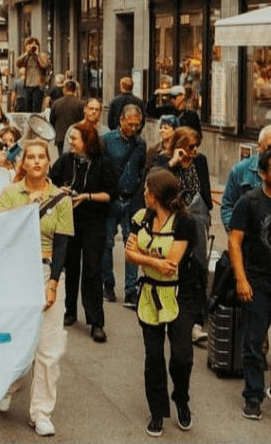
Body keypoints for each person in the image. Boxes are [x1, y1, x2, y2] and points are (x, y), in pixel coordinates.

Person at [0, 139, 74, 437]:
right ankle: (11, 383)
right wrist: (24, 212)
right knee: (16, 339)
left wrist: (53, 283)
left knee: (49, 346)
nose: (37, 162)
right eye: (31, 157)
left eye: (43, 157)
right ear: (23, 163)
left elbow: (63, 243)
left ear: (48, 162)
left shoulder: (61, 198)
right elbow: (1, 235)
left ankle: (41, 411)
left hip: (46, 269)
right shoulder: (10, 194)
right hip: (16, 271)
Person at [125, 168, 196, 437]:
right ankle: (156, 411)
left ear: (157, 195)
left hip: (180, 294)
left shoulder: (184, 223)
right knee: (153, 357)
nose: (143, 193)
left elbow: (171, 265)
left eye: (147, 190)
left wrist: (143, 256)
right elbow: (128, 255)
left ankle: (181, 398)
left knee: (181, 357)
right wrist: (152, 261)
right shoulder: (140, 218)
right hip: (149, 294)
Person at [50, 123, 117, 343]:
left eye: (74, 139)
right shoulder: (66, 161)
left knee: (92, 270)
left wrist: (86, 197)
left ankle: (96, 321)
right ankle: (70, 311)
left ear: (87, 142)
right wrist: (61, 191)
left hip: (94, 222)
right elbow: (51, 182)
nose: (70, 142)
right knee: (70, 267)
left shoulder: (103, 164)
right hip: (69, 221)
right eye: (70, 139)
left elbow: (110, 195)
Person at [151, 127, 213, 342]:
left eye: (196, 146)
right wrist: (173, 163)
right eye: (190, 147)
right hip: (173, 225)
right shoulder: (163, 161)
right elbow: (153, 182)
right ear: (179, 146)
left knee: (197, 270)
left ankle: (196, 321)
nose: (194, 151)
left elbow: (205, 191)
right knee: (171, 268)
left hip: (196, 222)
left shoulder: (200, 161)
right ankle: (167, 312)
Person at [228, 148, 271, 421]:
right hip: (257, 281)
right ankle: (253, 396)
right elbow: (234, 241)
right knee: (254, 341)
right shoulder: (250, 202)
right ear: (264, 174)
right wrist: (241, 279)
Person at [100, 105, 147, 305]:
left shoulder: (140, 144)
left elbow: (142, 169)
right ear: (121, 120)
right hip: (112, 199)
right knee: (107, 244)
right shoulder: (108, 140)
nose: (134, 129)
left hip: (131, 199)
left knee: (132, 244)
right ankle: (108, 284)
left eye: (137, 125)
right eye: (130, 124)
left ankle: (130, 288)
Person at [221, 125, 271, 232]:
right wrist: (237, 235)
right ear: (259, 146)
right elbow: (228, 206)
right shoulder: (240, 171)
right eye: (270, 148)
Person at [16, 37, 51, 113]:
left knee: (36, 108)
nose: (32, 48)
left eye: (33, 46)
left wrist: (37, 54)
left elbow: (44, 66)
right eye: (29, 46)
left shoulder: (42, 55)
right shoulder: (26, 57)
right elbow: (18, 64)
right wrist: (26, 53)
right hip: (28, 85)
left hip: (38, 86)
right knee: (27, 108)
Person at [49, 80, 83, 156]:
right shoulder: (80, 103)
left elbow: (51, 120)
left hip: (60, 136)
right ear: (75, 90)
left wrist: (56, 131)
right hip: (76, 136)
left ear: (65, 90)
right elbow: (82, 120)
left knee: (62, 158)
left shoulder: (56, 103)